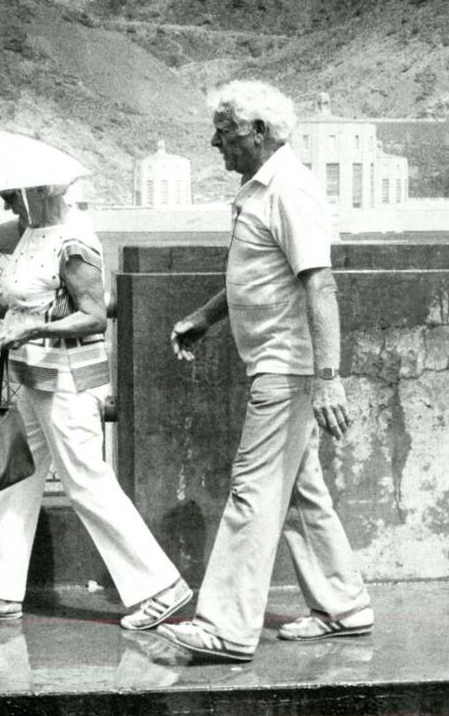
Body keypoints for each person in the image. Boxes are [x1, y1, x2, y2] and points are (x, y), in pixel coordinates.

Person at [155, 80, 372, 663]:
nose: (214, 143)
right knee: (300, 493)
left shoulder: (290, 189)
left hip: (287, 368)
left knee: (253, 489)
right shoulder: (262, 190)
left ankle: (225, 627)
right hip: (277, 365)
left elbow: (318, 284)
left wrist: (328, 377)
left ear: (256, 133)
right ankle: (344, 606)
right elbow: (257, 275)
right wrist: (205, 316)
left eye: (224, 133)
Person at [0, 180, 191, 631]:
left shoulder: (74, 242)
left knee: (85, 480)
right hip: (34, 376)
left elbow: (94, 314)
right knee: (17, 476)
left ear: (41, 192)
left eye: (11, 193)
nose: (6, 201)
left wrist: (32, 331)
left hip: (71, 380)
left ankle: (161, 588)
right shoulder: (28, 229)